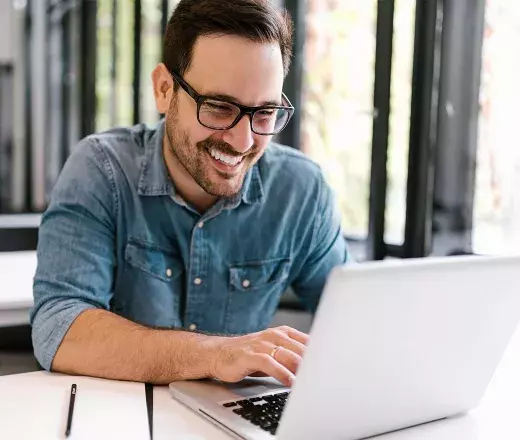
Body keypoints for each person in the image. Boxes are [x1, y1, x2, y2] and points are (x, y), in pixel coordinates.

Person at [31, 0, 349, 387]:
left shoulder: (302, 191)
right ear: (164, 90)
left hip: (231, 420)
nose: (243, 140)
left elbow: (356, 322)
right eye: (218, 107)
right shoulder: (101, 170)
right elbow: (58, 328)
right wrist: (214, 355)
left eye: (264, 113)